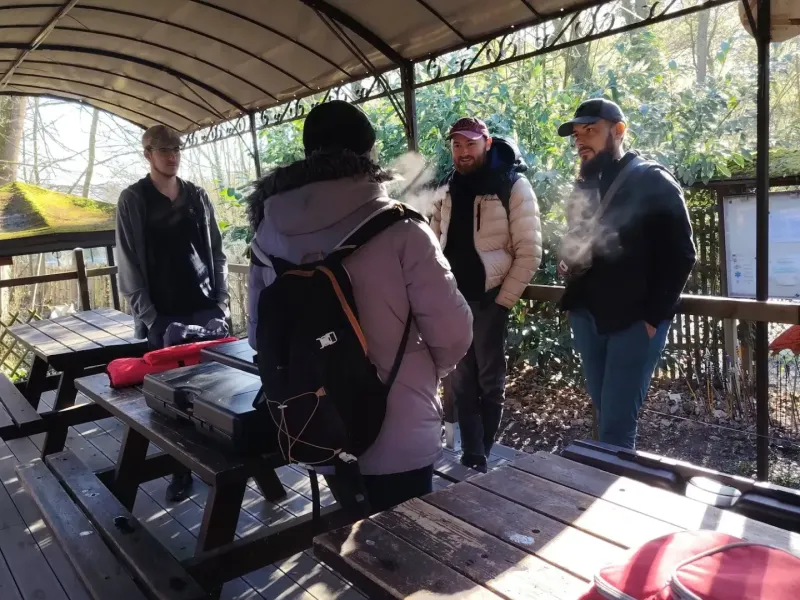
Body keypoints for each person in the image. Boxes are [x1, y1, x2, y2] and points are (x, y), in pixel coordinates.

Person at [246, 101, 473, 512]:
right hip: (400, 429)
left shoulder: (266, 236)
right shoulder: (402, 228)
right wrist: (421, 372)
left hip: (318, 423)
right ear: (369, 154)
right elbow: (453, 334)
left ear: (308, 154)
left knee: (356, 530)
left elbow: (259, 334)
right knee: (410, 542)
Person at [556, 98, 696, 449]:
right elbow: (579, 238)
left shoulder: (653, 180)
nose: (580, 141)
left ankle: (613, 483)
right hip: (587, 315)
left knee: (616, 427)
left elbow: (682, 254)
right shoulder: (585, 184)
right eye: (577, 134)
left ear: (618, 131)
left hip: (633, 322)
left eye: (590, 131)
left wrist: (652, 318)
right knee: (605, 412)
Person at [116, 124, 230, 501]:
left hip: (206, 311)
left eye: (176, 149)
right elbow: (128, 263)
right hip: (164, 317)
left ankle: (224, 469)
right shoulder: (134, 199)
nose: (172, 156)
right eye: (163, 150)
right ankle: (180, 472)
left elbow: (217, 253)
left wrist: (221, 302)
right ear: (147, 154)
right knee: (171, 401)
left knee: (220, 393)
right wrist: (151, 317)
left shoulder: (197, 196)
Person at [430, 117, 542, 472]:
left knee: (490, 381)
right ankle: (473, 454)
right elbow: (431, 240)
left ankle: (484, 451)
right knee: (461, 379)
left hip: (490, 298)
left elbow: (530, 251)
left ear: (487, 143)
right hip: (453, 300)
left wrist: (502, 301)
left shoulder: (512, 184)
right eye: (457, 145)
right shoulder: (447, 187)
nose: (463, 152)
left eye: (470, 144)